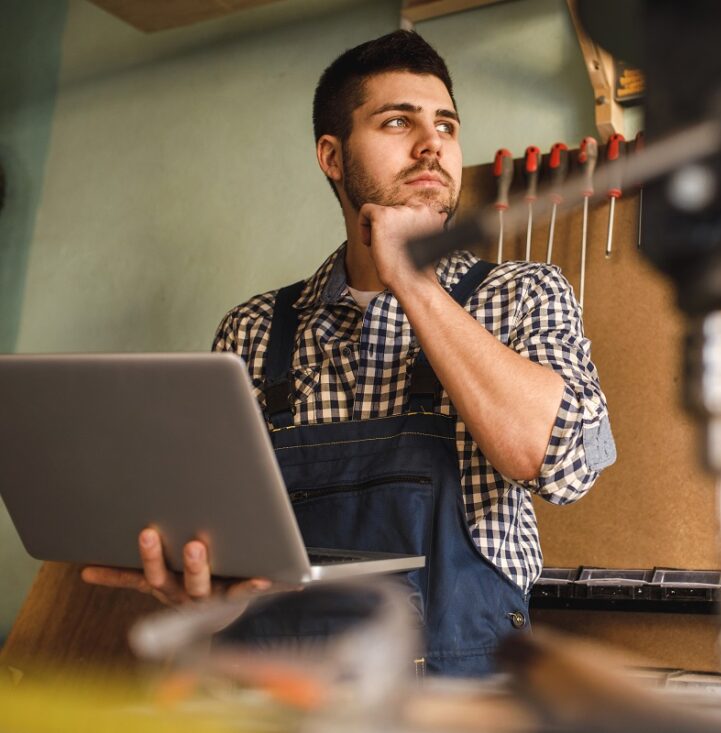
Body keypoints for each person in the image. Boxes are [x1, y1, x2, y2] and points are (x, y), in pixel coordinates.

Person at [82, 29, 615, 674]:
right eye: (398, 122)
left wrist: (413, 280)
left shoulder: (523, 296)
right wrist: (203, 586)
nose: (432, 145)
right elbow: (221, 540)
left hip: (459, 706)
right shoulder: (252, 332)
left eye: (446, 125)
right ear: (332, 157)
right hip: (278, 696)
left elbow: (563, 464)